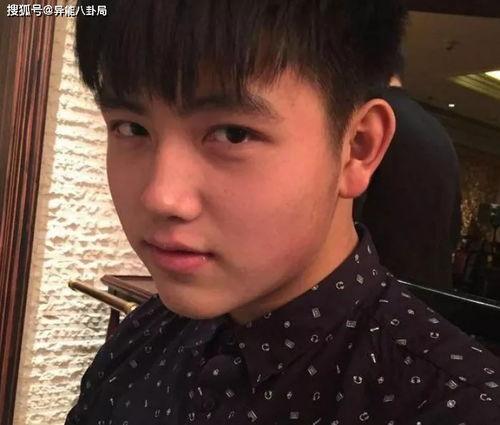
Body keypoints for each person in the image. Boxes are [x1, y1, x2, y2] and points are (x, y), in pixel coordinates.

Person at [66, 1, 500, 424]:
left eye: (233, 134)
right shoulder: (146, 332)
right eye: (131, 128)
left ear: (356, 149)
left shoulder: (460, 406)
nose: (160, 197)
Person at [354, 67, 462, 290]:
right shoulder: (440, 134)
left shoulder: (365, 118)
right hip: (432, 295)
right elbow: (453, 229)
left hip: (373, 290)